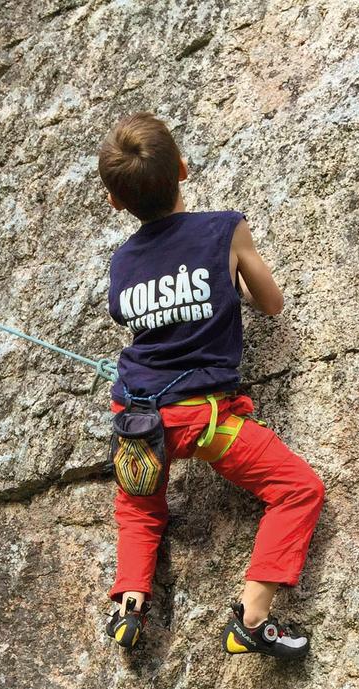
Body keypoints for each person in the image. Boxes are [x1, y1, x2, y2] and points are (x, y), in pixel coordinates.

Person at [98, 112, 325, 659]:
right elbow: (271, 304)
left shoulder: (123, 260)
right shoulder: (224, 229)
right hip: (206, 421)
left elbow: (128, 316)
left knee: (139, 507)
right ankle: (251, 620)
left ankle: (130, 602)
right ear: (182, 169)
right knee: (298, 490)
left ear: (115, 202)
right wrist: (228, 292)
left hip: (136, 414)